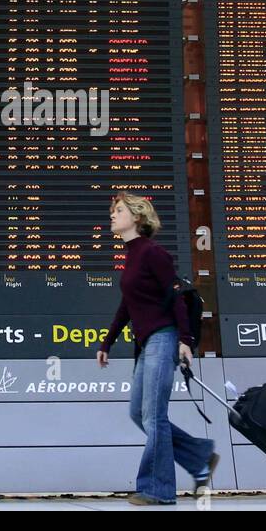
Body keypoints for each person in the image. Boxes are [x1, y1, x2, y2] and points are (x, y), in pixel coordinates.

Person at [97, 192, 218, 505]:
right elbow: (128, 304)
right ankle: (199, 455)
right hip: (146, 342)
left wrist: (185, 341)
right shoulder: (132, 255)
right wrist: (107, 343)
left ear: (136, 217)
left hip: (164, 338)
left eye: (119, 210)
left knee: (153, 416)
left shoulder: (154, 253)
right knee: (139, 413)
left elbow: (176, 297)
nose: (112, 215)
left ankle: (157, 489)